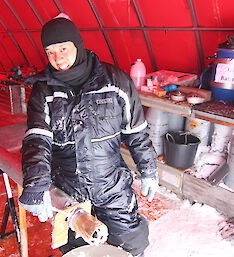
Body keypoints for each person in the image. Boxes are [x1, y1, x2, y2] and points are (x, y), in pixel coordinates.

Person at [18, 17, 159, 257]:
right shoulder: (44, 90)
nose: (58, 58)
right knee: (77, 249)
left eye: (63, 48)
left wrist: (149, 169)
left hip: (110, 183)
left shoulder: (115, 83)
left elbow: (136, 132)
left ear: (77, 45)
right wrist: (37, 184)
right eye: (50, 52)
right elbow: (38, 139)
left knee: (130, 244)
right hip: (67, 187)